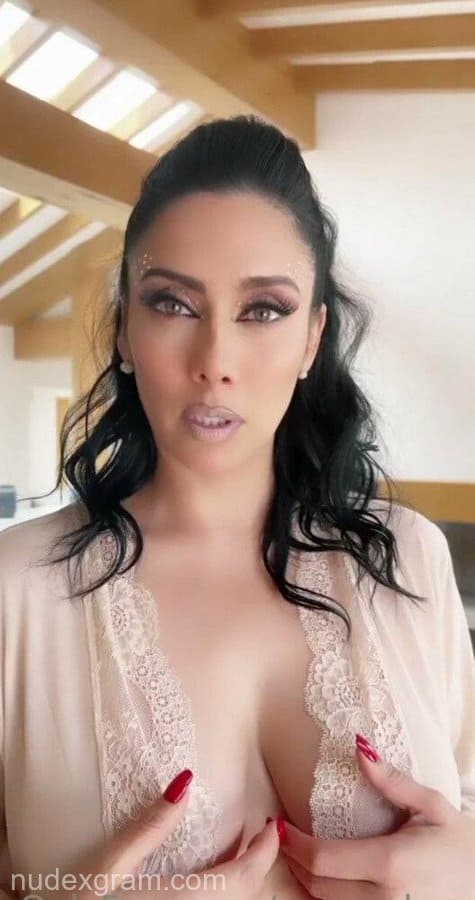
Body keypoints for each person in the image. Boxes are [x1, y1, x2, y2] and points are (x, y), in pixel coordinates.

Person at [0, 115, 474, 900]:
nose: (214, 361)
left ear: (312, 338)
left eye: (263, 310)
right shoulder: (14, 592)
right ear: (124, 332)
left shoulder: (408, 558)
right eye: (173, 304)